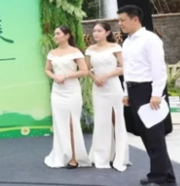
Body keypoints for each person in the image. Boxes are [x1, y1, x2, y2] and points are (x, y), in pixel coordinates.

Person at [118, 5, 176, 186]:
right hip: (134, 90)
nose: (120, 24)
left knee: (154, 136)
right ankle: (167, 173)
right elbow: (128, 69)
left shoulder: (150, 39)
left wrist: (156, 93)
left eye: (123, 20)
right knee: (145, 134)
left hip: (148, 90)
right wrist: (126, 92)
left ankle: (158, 179)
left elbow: (158, 67)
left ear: (135, 19)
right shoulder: (127, 42)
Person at [43, 26, 92, 169]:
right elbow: (47, 69)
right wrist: (54, 77)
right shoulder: (52, 53)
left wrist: (66, 76)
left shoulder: (75, 52)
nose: (55, 36)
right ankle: (63, 154)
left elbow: (84, 71)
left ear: (67, 35)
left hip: (72, 90)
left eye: (58, 33)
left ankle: (75, 157)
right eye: (55, 34)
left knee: (72, 123)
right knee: (60, 122)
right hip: (57, 91)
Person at [85, 22, 131, 171]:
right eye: (94, 31)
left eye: (99, 31)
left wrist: (107, 75)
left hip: (113, 87)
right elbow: (86, 70)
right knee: (101, 121)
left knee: (117, 119)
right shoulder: (90, 50)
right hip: (98, 88)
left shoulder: (115, 47)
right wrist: (95, 78)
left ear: (107, 32)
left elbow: (124, 67)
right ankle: (101, 155)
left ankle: (119, 155)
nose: (96, 33)